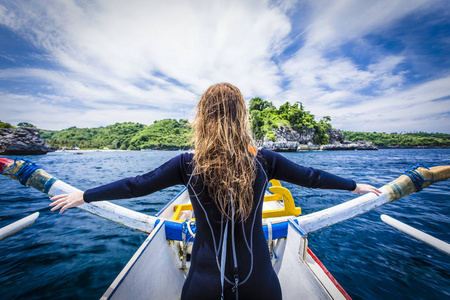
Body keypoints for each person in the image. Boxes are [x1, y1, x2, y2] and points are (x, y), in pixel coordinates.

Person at [50, 83, 381, 300]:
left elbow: (136, 184)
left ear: (202, 118)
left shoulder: (187, 163)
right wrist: (354, 186)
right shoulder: (265, 160)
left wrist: (84, 195)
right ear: (242, 118)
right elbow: (312, 176)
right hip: (261, 285)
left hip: (204, 285)